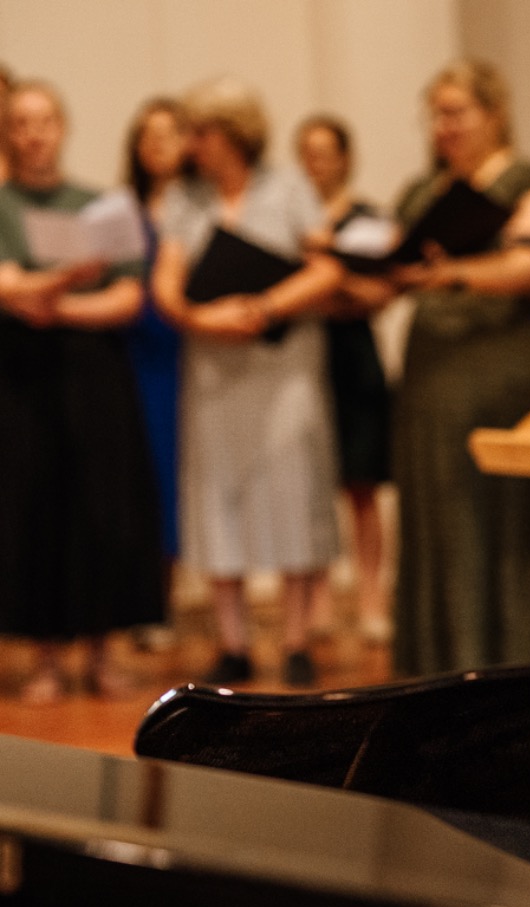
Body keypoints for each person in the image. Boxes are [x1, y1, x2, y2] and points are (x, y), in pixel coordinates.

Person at [377, 62, 530, 679]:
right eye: (436, 114)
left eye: (457, 112)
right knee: (442, 509)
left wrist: (449, 273)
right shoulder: (422, 192)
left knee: (507, 510)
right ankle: (446, 660)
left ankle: (523, 656)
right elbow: (389, 271)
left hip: (508, 366)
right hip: (433, 372)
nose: (445, 126)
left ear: (494, 114)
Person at [151, 77, 343, 689]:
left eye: (200, 132)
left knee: (292, 486)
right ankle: (232, 642)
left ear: (232, 133)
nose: (191, 144)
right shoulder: (184, 198)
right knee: (216, 492)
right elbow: (166, 279)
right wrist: (197, 316)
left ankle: (295, 638)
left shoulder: (288, 188)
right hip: (213, 366)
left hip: (281, 364)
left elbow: (328, 268)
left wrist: (264, 307)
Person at [0, 79, 163, 701]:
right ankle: (45, 659)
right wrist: (67, 279)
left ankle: (101, 654)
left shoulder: (99, 205)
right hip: (23, 379)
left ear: (62, 128)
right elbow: (10, 289)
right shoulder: (3, 205)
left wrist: (54, 299)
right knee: (36, 507)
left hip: (95, 376)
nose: (33, 135)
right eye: (20, 123)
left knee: (103, 508)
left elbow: (127, 297)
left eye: (44, 121)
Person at [297, 114, 394, 644]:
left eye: (324, 152)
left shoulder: (368, 219)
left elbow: (380, 293)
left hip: (355, 357)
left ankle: (372, 596)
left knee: (362, 485)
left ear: (345, 158)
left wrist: (329, 279)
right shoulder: (293, 218)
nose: (315, 163)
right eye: (306, 153)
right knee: (311, 485)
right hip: (306, 358)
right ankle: (318, 602)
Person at [124, 97, 190, 580]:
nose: (157, 144)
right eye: (148, 135)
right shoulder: (122, 209)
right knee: (149, 471)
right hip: (139, 353)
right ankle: (154, 589)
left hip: (194, 348)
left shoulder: (206, 204)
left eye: (168, 134)